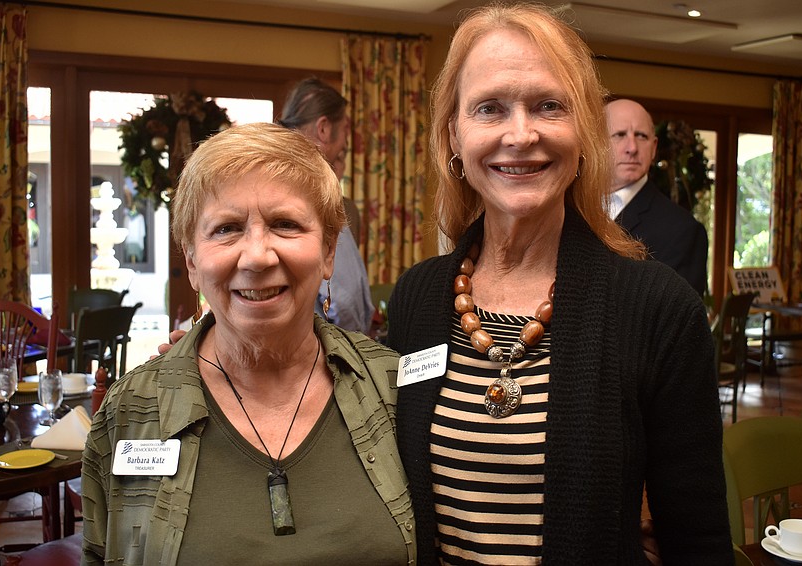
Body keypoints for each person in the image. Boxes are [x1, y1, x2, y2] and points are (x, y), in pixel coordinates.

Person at [386, 4, 732, 565]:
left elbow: (697, 538)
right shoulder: (418, 299)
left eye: (549, 106)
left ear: (584, 133)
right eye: (489, 109)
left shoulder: (658, 308)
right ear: (454, 133)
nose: (520, 135)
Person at [81, 122, 415, 565]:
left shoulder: (395, 390)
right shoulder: (130, 412)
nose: (257, 256)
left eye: (285, 224)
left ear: (329, 251)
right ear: (193, 262)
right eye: (226, 229)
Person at [278, 77, 375, 333]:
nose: (345, 142)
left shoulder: (270, 179)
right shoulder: (312, 192)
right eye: (344, 130)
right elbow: (345, 301)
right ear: (323, 129)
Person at [605, 98, 709, 297]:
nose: (632, 148)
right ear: (597, 143)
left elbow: (677, 322)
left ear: (653, 148)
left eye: (641, 136)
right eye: (619, 135)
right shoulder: (570, 208)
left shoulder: (683, 231)